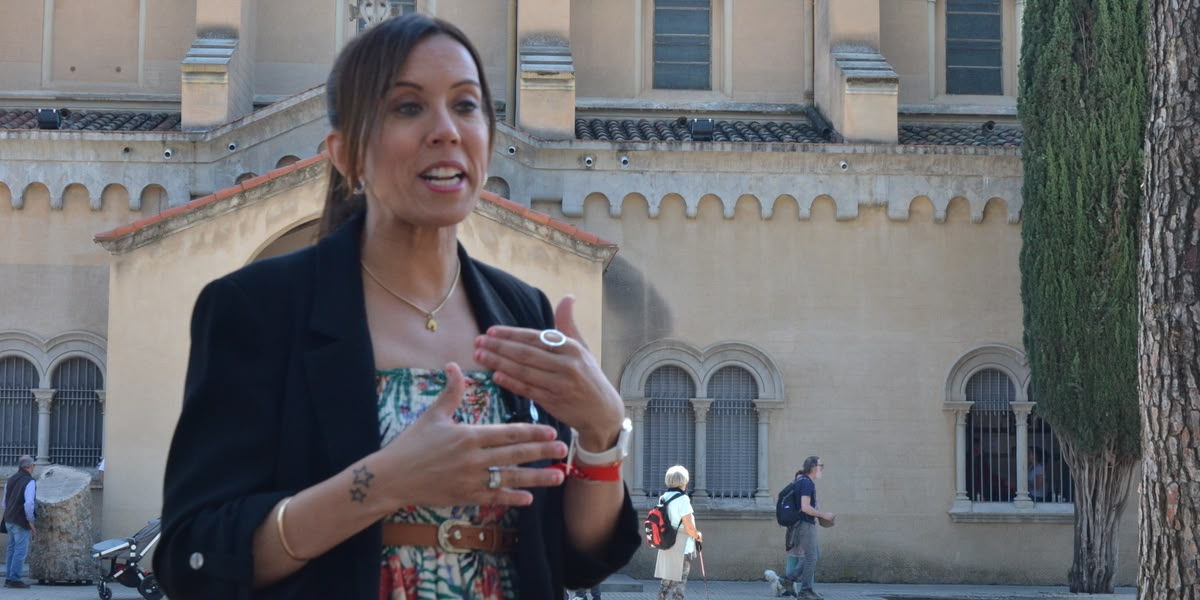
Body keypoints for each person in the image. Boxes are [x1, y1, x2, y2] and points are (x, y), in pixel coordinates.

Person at [153, 14, 640, 600]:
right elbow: (194, 556)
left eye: (466, 105)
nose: (446, 131)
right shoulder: (256, 309)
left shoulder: (521, 310)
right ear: (345, 154)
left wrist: (601, 433)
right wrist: (382, 483)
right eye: (408, 107)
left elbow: (574, 557)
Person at [778, 456, 833, 600]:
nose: (822, 469)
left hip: (801, 523)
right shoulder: (807, 483)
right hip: (805, 524)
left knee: (814, 554)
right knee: (811, 557)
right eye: (821, 465)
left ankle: (789, 579)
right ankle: (805, 591)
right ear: (814, 467)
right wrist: (824, 515)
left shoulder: (801, 481)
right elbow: (805, 507)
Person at [654, 465, 702, 600]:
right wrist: (698, 536)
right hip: (682, 545)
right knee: (679, 584)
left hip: (666, 543)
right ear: (683, 481)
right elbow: (689, 527)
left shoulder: (663, 497)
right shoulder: (683, 499)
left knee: (665, 583)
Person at [3, 455, 37, 589]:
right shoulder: (30, 481)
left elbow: (4, 502)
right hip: (20, 520)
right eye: (33, 465)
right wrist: (31, 521)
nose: (34, 467)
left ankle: (9, 577)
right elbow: (29, 503)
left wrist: (8, 514)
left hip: (9, 519)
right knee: (20, 550)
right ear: (30, 466)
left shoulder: (10, 479)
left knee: (11, 549)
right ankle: (15, 578)